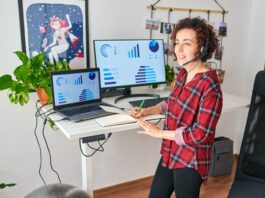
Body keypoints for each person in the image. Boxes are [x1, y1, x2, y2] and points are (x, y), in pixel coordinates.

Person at [130, 17, 223, 198]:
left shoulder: (209, 84)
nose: (178, 49)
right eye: (177, 42)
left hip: (191, 157)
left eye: (186, 43)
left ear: (201, 48)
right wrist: (147, 111)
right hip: (171, 150)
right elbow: (171, 103)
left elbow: (200, 134)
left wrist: (160, 133)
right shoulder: (183, 74)